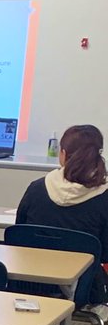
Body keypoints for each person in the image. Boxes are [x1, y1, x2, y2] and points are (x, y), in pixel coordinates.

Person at [16, 123, 108, 305]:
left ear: (63, 154)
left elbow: (18, 234)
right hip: (84, 287)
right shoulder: (105, 198)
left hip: (30, 281)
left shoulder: (36, 188)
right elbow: (105, 253)